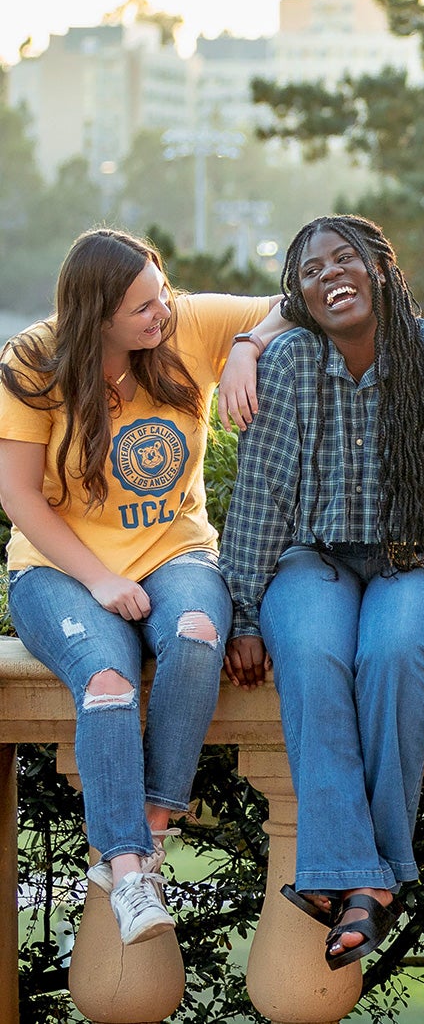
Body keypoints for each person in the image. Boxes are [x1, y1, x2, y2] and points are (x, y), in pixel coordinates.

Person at [219, 214, 424, 970]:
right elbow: (261, 498)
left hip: (416, 563)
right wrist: (243, 611)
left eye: (345, 259)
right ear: (297, 294)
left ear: (380, 267)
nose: (329, 276)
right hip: (312, 559)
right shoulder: (288, 365)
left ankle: (344, 879)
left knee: (395, 651)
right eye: (311, 270)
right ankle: (369, 884)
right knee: (309, 653)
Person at [0, 227, 286, 944]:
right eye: (142, 310)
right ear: (96, 316)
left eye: (161, 295)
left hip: (176, 551)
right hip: (59, 567)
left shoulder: (185, 325)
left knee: (195, 636)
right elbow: (18, 495)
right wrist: (99, 579)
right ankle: (127, 874)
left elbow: (298, 301)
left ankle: (149, 835)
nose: (162, 315)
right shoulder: (34, 360)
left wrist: (247, 346)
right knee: (106, 680)